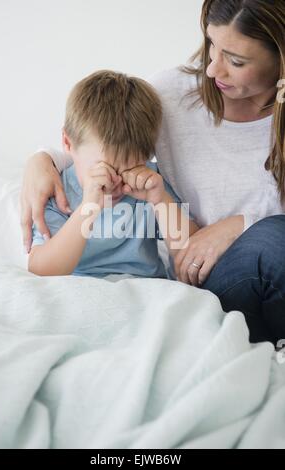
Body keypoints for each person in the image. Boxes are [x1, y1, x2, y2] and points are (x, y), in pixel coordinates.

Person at [21, 0, 285, 344]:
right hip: (146, 291)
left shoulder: (147, 189)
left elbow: (181, 248)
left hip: (178, 289)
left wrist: (163, 199)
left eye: (235, 61)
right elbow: (42, 268)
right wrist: (43, 161)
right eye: (210, 47)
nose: (211, 70)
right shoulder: (69, 196)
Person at [28, 70, 197, 278]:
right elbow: (41, 270)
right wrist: (87, 207)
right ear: (67, 143)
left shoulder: (151, 184)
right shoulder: (58, 191)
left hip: (146, 288)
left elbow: (192, 255)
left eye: (129, 170)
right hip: (81, 289)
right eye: (103, 169)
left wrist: (160, 201)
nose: (115, 182)